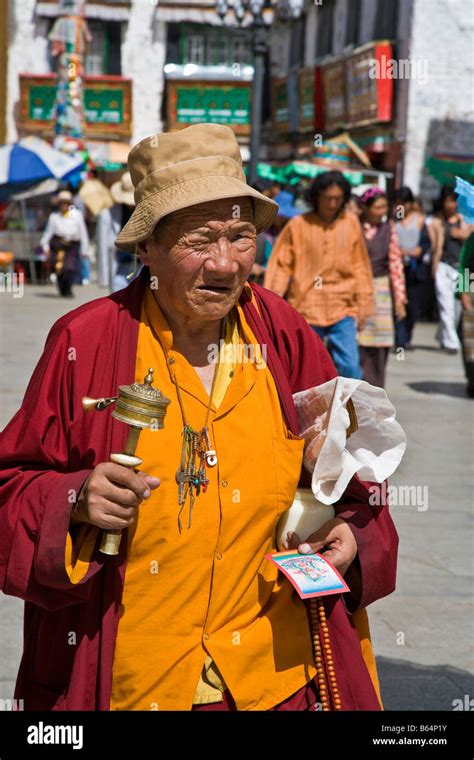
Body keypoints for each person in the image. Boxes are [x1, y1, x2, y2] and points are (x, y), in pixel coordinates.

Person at [0, 124, 398, 711]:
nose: (223, 262)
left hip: (273, 677)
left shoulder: (282, 335)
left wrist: (350, 535)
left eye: (241, 237)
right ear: (146, 249)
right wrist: (76, 500)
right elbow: (12, 488)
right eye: (198, 240)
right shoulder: (84, 341)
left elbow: (354, 476)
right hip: (136, 682)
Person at [264, 171, 374, 379]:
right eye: (328, 198)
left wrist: (365, 305)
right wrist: (272, 306)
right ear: (316, 197)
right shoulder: (298, 225)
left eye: (338, 199)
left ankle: (349, 410)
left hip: (342, 307)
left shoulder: (351, 223)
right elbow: (281, 266)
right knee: (304, 369)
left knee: (350, 367)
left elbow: (361, 265)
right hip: (306, 306)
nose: (332, 204)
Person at [358, 188, 407, 387]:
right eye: (377, 207)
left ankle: (376, 388)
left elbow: (396, 264)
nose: (382, 211)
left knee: (379, 341)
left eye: (384, 207)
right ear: (366, 207)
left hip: (381, 289)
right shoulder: (354, 226)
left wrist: (400, 299)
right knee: (358, 339)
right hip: (357, 288)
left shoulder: (389, 229)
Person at [430, 186, 472, 354]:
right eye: (447, 200)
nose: (450, 204)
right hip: (443, 266)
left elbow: (469, 248)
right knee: (445, 305)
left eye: (453, 200)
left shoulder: (466, 220)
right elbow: (435, 247)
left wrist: (462, 234)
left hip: (462, 270)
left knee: (458, 308)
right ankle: (452, 343)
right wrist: (433, 268)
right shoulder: (437, 221)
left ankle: (443, 335)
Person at [394, 187, 432, 350]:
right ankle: (400, 340)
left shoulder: (420, 220)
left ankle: (407, 336)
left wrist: (420, 250)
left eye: (404, 203)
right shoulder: (392, 222)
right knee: (399, 303)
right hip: (398, 271)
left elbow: (426, 243)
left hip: (415, 272)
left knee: (413, 307)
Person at [40, 190, 89, 297]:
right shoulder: (54, 217)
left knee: (69, 267)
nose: (63, 206)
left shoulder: (77, 215)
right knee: (58, 268)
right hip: (57, 245)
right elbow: (48, 234)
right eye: (61, 203)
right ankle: (62, 289)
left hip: (72, 245)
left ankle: (68, 289)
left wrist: (84, 249)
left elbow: (83, 233)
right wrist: (45, 247)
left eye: (65, 203)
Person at [457, 233, 474, 396]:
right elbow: (464, 265)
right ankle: (472, 379)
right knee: (469, 340)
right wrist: (463, 291)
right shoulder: (472, 239)